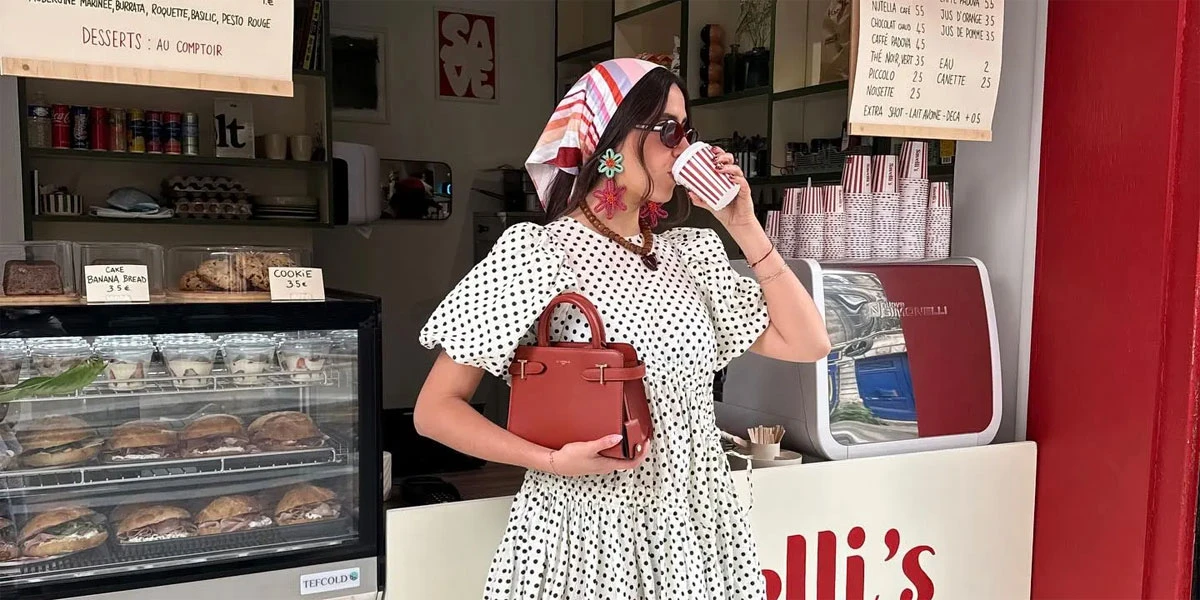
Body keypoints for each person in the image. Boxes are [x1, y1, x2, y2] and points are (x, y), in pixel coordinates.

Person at [416, 58, 830, 599]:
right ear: (608, 141)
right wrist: (549, 461)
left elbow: (808, 342)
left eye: (689, 132)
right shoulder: (539, 253)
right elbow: (435, 410)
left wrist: (745, 226)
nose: (685, 149)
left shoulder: (692, 254)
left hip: (693, 525)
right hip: (590, 531)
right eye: (668, 131)